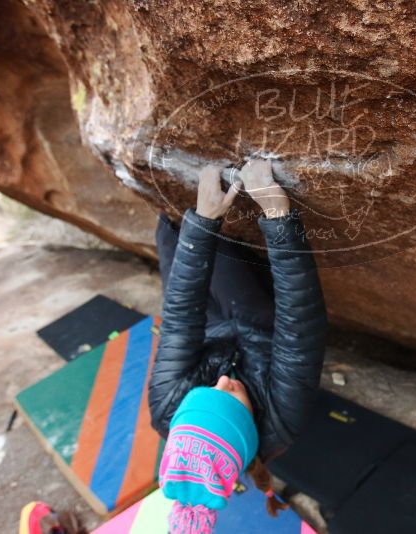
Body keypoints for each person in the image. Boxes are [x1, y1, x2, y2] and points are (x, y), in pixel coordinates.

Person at [147, 159, 328, 533]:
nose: (223, 383)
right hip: (260, 332)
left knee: (172, 234)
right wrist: (278, 214)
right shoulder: (283, 417)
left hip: (209, 335)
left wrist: (203, 220)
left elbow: (180, 316)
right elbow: (301, 320)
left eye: (207, 393)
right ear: (248, 429)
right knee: (226, 258)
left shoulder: (167, 403)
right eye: (231, 399)